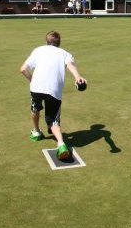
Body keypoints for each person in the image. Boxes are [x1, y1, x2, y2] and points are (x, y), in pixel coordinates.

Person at [20, 30, 87, 161]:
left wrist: (32, 80)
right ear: (59, 43)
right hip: (54, 90)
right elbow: (70, 65)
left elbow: (23, 69)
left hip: (36, 87)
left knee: (35, 108)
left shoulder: (38, 50)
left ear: (46, 42)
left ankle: (36, 132)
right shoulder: (64, 53)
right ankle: (61, 144)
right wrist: (77, 76)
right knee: (53, 120)